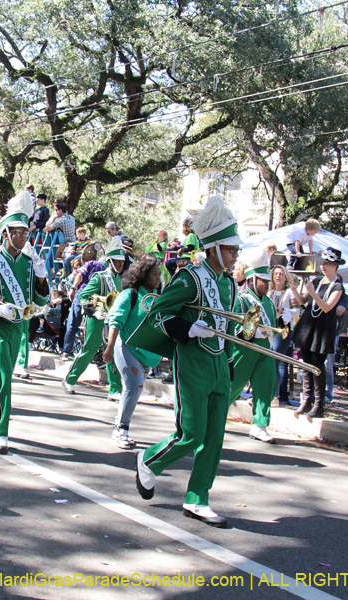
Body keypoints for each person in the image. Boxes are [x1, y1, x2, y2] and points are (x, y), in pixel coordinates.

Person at [128, 195, 241, 528]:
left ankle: (197, 499)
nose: (235, 255)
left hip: (220, 367)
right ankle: (148, 459)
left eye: (236, 250)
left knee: (215, 438)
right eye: (231, 249)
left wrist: (235, 355)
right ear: (215, 247)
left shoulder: (230, 284)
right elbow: (158, 314)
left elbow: (230, 326)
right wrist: (188, 328)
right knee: (190, 433)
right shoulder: (189, 278)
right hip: (192, 364)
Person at [0, 191, 49, 454]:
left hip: (18, 326)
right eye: (18, 233)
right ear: (5, 233)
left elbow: (40, 299)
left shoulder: (28, 263)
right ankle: (1, 432)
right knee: (4, 375)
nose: (23, 237)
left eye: (26, 233)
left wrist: (41, 278)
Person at [103, 257, 163, 448]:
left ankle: (120, 423)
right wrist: (110, 348)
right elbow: (115, 321)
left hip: (147, 354)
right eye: (154, 274)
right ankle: (121, 429)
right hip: (126, 346)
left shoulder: (158, 299)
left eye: (160, 275)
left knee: (134, 391)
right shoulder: (130, 294)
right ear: (143, 275)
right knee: (134, 387)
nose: (158, 278)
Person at [62, 236, 126, 399]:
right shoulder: (100, 277)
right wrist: (93, 310)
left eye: (122, 261)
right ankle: (70, 379)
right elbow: (83, 295)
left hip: (111, 321)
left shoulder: (120, 280)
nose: (120, 264)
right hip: (97, 318)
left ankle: (115, 389)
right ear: (110, 260)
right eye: (117, 261)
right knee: (89, 351)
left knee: (112, 353)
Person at [227, 247, 279, 443]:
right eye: (264, 280)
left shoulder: (270, 304)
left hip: (265, 351)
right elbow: (233, 329)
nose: (268, 284)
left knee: (265, 386)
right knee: (232, 386)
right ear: (251, 280)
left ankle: (260, 425)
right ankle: (210, 417)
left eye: (268, 280)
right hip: (244, 350)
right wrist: (249, 331)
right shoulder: (241, 299)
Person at [289, 247, 345, 419]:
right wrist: (294, 289)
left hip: (322, 328)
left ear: (335, 266)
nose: (323, 266)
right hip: (309, 325)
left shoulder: (337, 286)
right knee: (305, 364)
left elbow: (328, 307)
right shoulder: (318, 281)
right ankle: (307, 400)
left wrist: (312, 292)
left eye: (326, 264)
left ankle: (319, 404)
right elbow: (303, 301)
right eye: (322, 263)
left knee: (317, 365)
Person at [268, 265, 298, 406]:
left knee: (275, 360)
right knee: (276, 362)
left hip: (283, 328)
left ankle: (274, 396)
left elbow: (297, 311)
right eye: (276, 274)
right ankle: (274, 394)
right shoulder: (270, 292)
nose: (278, 276)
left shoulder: (289, 293)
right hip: (270, 328)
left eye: (281, 274)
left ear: (286, 276)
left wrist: (284, 310)